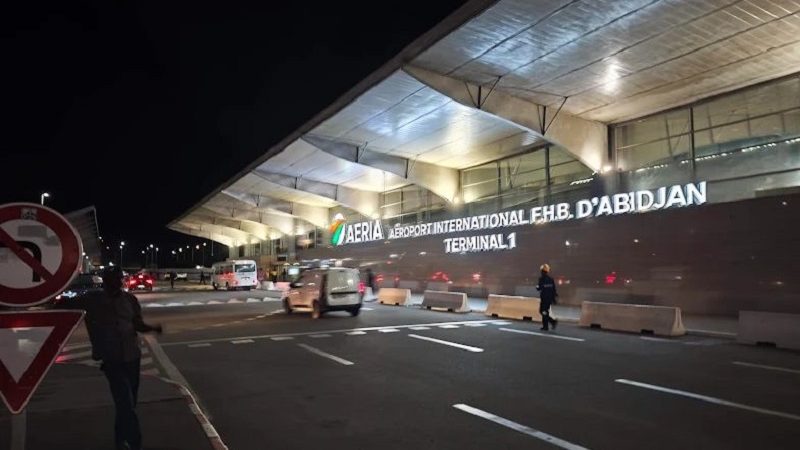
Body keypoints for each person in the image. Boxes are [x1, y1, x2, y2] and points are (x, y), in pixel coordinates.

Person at [68, 266, 163, 450]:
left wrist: (152, 328)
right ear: (105, 281)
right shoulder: (93, 300)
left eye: (119, 279)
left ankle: (120, 440)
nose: (118, 282)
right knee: (125, 402)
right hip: (111, 360)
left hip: (132, 357)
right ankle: (135, 443)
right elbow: (64, 305)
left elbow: (137, 324)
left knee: (128, 404)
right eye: (114, 279)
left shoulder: (130, 299)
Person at [536, 263, 558, 331]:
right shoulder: (551, 279)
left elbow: (539, 288)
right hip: (549, 299)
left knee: (543, 311)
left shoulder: (541, 279)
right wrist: (553, 298)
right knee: (545, 311)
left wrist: (537, 287)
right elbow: (554, 290)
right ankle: (549, 324)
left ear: (542, 271)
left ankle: (550, 323)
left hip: (544, 298)